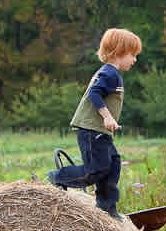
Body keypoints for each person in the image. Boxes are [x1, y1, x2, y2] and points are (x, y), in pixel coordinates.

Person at [48, 28, 141, 219]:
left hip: (100, 132)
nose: (134, 60)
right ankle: (58, 177)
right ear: (119, 52)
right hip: (92, 130)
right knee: (96, 170)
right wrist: (107, 117)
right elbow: (94, 94)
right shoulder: (110, 74)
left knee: (113, 164)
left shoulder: (111, 73)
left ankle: (107, 207)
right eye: (132, 55)